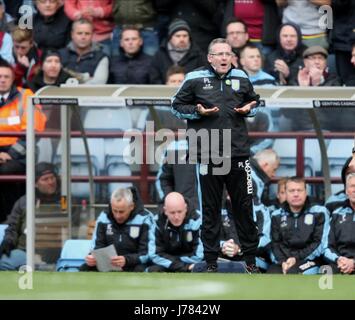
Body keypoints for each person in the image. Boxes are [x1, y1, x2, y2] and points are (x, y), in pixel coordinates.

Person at [172, 38, 260, 272]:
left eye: (227, 54)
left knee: (244, 207)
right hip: (208, 154)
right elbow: (175, 105)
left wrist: (249, 108)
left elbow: (256, 101)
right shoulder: (194, 78)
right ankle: (211, 262)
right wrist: (197, 112)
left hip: (238, 154)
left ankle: (251, 261)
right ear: (209, 58)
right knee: (210, 209)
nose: (224, 58)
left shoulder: (241, 77)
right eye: (219, 54)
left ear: (232, 56)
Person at [0, 59, 46, 222]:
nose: (2, 80)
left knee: (6, 171)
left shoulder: (26, 96)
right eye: (0, 76)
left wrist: (10, 154)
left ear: (13, 79)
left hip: (19, 154)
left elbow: (34, 129)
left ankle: (10, 219)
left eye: (6, 76)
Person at [0, 162, 60, 270]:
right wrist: (8, 241)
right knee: (4, 263)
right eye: (45, 179)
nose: (51, 182)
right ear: (35, 184)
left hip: (55, 254)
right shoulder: (23, 202)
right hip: (25, 251)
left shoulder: (65, 202)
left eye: (52, 178)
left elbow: (73, 230)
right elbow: (12, 228)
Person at [81, 187, 154, 272]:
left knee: (142, 269)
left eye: (121, 211)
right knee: (85, 268)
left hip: (133, 264)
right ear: (111, 205)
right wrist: (92, 258)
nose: (117, 216)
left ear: (132, 206)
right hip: (108, 265)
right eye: (114, 211)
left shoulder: (145, 219)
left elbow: (147, 253)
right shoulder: (103, 217)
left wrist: (126, 260)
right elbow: (97, 247)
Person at [268, 177, 329, 274]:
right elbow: (275, 244)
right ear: (286, 194)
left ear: (305, 192)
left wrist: (296, 258)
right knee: (272, 274)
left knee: (293, 273)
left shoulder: (319, 212)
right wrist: (283, 261)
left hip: (311, 260)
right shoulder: (276, 215)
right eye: (291, 191)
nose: (296, 194)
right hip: (284, 260)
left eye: (299, 190)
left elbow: (319, 243)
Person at [147, 192, 203, 272]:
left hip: (190, 264)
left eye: (180, 212)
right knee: (152, 270)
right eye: (172, 213)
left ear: (186, 208)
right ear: (165, 210)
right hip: (174, 264)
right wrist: (183, 266)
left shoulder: (198, 220)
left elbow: (199, 255)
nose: (176, 217)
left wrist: (172, 261)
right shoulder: (157, 222)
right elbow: (154, 254)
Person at [149, 19, 205, 84]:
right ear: (170, 37)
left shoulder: (198, 55)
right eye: (178, 36)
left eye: (185, 36)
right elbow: (154, 78)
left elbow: (202, 79)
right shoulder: (159, 55)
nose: (182, 39)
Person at [59, 19, 109, 84]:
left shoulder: (102, 57)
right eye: (79, 33)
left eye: (87, 34)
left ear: (92, 35)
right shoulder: (60, 55)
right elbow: (56, 80)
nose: (83, 37)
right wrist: (86, 78)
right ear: (72, 35)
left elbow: (99, 83)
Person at [323, 172, 355, 274]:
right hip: (340, 262)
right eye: (352, 186)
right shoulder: (336, 214)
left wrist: (353, 263)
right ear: (346, 191)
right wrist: (338, 259)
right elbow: (327, 246)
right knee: (325, 271)